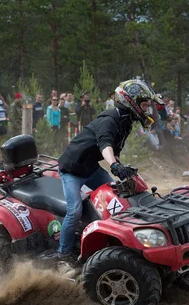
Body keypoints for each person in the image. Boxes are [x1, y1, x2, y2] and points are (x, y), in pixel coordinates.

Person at [39, 79, 164, 264]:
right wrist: (113, 165)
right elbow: (105, 145)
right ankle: (63, 253)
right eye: (144, 104)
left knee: (117, 196)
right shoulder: (109, 119)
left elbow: (113, 150)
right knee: (74, 211)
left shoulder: (125, 121)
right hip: (72, 169)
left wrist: (120, 166)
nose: (146, 109)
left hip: (91, 167)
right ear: (131, 101)